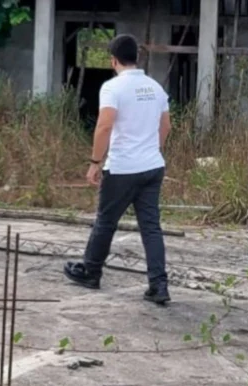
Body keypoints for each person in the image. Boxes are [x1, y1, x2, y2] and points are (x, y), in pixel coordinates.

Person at [63, 33, 172, 305]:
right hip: (152, 167)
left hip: (123, 168)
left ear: (113, 60)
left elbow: (104, 125)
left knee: (106, 221)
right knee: (151, 227)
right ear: (137, 57)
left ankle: (91, 271)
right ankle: (158, 286)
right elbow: (166, 127)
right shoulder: (155, 88)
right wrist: (151, 150)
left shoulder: (113, 88)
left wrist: (95, 162)